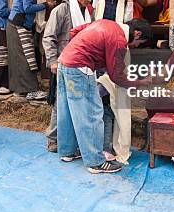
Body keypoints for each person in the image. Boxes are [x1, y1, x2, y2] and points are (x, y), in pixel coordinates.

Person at [57, 18, 151, 173]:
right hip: (80, 68)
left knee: (67, 111)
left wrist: (83, 51)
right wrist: (140, 82)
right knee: (91, 114)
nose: (134, 47)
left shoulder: (105, 23)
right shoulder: (119, 39)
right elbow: (117, 77)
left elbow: (74, 31)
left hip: (65, 62)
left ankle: (68, 152)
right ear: (137, 34)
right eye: (138, 43)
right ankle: (95, 162)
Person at [42, 0, 97, 152]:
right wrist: (52, 61)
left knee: (80, 104)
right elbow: (49, 37)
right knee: (61, 104)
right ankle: (53, 138)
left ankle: (73, 140)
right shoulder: (61, 10)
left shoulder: (89, 12)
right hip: (63, 64)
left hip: (83, 65)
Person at [7, 0, 55, 100]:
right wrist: (46, 5)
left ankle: (20, 89)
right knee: (25, 59)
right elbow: (27, 7)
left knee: (21, 58)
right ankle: (29, 90)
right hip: (18, 25)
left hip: (20, 25)